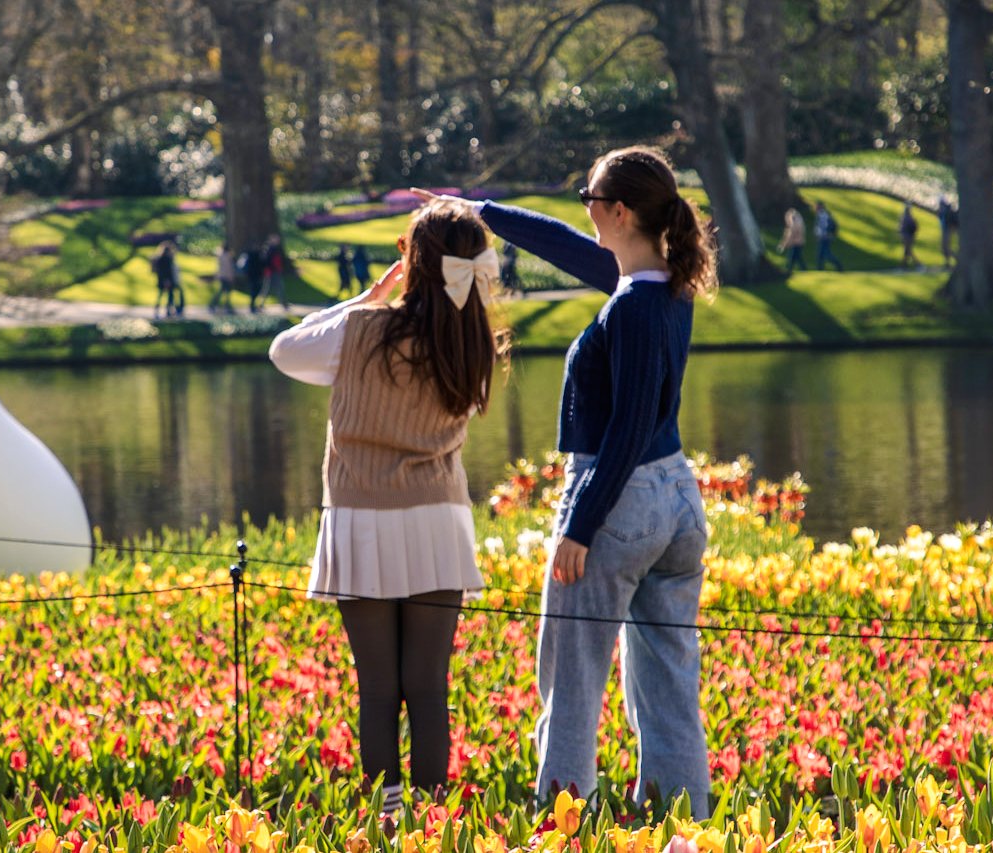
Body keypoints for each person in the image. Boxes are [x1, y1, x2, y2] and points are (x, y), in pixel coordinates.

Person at [415, 144, 716, 819]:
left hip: (619, 497)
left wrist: (578, 527)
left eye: (589, 202)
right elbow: (564, 247)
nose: (585, 215)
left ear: (617, 211)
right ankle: (683, 820)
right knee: (668, 678)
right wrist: (479, 210)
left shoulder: (633, 308)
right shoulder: (662, 282)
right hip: (675, 499)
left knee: (572, 677)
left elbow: (629, 424)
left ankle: (561, 822)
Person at [268, 201, 506, 814]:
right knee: (428, 688)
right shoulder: (472, 337)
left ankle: (388, 818)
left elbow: (285, 351)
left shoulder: (363, 331)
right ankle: (432, 821)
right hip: (436, 519)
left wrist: (367, 298)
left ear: (412, 260)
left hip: (362, 517)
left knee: (377, 690)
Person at [151, 240, 183, 318]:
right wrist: (166, 280)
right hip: (166, 280)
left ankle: (167, 310)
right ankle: (163, 309)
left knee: (168, 295)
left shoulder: (167, 258)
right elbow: (163, 271)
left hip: (167, 280)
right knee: (165, 295)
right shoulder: (164, 259)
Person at [814, 202, 842, 271]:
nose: (815, 208)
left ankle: (838, 265)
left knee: (827, 254)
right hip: (824, 237)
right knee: (821, 254)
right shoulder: (822, 215)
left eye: (817, 207)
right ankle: (820, 269)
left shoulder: (823, 215)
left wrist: (821, 235)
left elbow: (824, 227)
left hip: (825, 238)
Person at [261, 234, 287, 309]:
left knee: (273, 288)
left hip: (274, 271)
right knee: (272, 288)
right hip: (272, 271)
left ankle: (283, 303)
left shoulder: (273, 248)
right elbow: (267, 261)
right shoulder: (270, 249)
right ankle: (283, 303)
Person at [777, 208, 807, 273]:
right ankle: (801, 269)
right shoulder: (799, 220)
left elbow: (791, 234)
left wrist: (784, 245)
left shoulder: (794, 222)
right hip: (799, 242)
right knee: (797, 257)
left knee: (792, 257)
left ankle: (789, 270)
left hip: (796, 243)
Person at [212, 243, 237, 313]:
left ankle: (221, 304)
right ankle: (225, 305)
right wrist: (231, 277)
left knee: (223, 291)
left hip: (222, 276)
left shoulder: (221, 256)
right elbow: (229, 268)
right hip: (226, 276)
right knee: (226, 291)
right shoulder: (228, 257)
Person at [239, 244, 264, 312]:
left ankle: (253, 304)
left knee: (254, 289)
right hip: (257, 275)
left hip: (251, 275)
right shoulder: (259, 255)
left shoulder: (248, 254)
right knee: (257, 289)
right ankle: (253, 305)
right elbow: (262, 265)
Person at [937, 195, 958, 269]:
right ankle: (948, 262)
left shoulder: (948, 211)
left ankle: (957, 259)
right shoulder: (942, 211)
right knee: (944, 247)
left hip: (948, 230)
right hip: (945, 229)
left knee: (945, 247)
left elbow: (950, 222)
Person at [899, 202, 920, 269]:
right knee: (907, 251)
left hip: (907, 236)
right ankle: (904, 265)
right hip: (908, 236)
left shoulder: (906, 218)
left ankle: (917, 264)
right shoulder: (908, 218)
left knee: (908, 251)